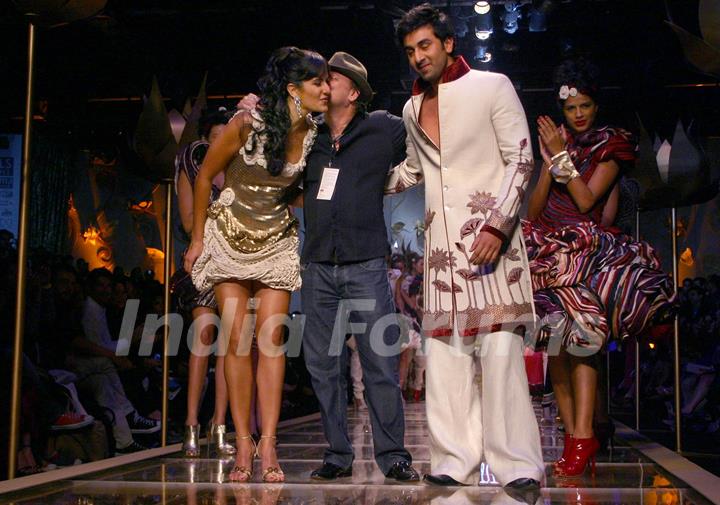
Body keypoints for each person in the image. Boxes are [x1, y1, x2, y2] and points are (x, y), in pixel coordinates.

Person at [239, 51, 419, 483]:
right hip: (318, 265)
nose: (322, 86)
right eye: (318, 80)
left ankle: (393, 455)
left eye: (330, 80)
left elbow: (427, 135)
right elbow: (270, 145)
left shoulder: (383, 128)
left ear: (353, 91)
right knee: (324, 366)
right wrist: (253, 110)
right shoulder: (307, 133)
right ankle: (338, 453)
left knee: (378, 361)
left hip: (367, 264)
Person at [388, 4, 544, 490]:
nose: (418, 57)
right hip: (440, 256)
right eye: (411, 50)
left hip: (492, 247)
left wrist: (497, 228)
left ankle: (518, 466)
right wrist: (363, 180)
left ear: (448, 43)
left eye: (425, 45)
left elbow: (522, 159)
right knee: (446, 360)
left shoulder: (492, 86)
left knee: (500, 356)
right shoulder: (411, 109)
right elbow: (413, 170)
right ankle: (452, 460)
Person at [184, 46, 330, 483]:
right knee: (236, 340)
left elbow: (298, 189)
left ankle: (268, 443)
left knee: (270, 342)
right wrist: (195, 240)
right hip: (228, 235)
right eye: (317, 81)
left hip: (277, 239)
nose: (326, 88)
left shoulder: (313, 132)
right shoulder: (245, 124)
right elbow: (206, 175)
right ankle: (241, 442)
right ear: (292, 89)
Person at [523, 58, 675, 476]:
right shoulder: (558, 145)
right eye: (571, 108)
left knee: (582, 344)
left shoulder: (611, 144)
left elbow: (588, 201)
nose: (577, 115)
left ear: (596, 105)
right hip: (545, 254)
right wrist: (546, 163)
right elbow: (534, 212)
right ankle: (574, 436)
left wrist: (560, 160)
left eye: (584, 106)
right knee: (555, 349)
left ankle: (583, 436)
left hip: (585, 252)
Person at [175, 106, 235, 458]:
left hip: (235, 264)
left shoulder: (238, 171)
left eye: (225, 137)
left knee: (231, 348)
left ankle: (220, 426)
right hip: (204, 263)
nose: (220, 142)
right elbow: (186, 222)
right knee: (203, 339)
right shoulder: (194, 167)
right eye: (215, 136)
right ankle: (191, 425)